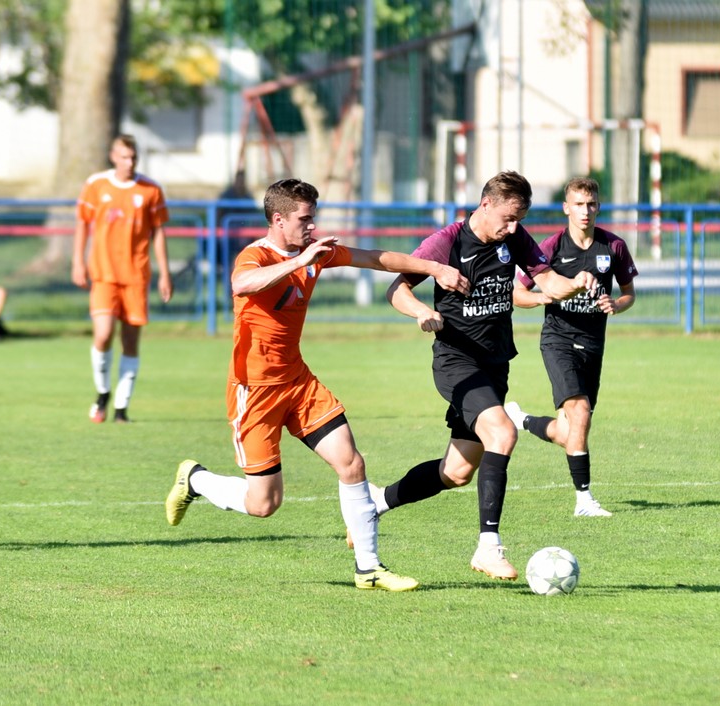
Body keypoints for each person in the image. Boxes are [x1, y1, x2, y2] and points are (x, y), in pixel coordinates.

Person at [164, 178, 470, 592]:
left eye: (313, 218)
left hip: (298, 381)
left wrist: (434, 267)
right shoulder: (254, 256)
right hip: (254, 390)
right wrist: (301, 259)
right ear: (278, 220)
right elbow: (242, 285)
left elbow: (376, 258)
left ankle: (369, 568)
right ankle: (195, 478)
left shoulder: (316, 253)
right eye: (304, 219)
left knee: (351, 463)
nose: (312, 226)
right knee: (264, 504)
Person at [363, 171, 597, 581]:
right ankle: (489, 546)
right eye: (507, 218)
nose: (512, 228)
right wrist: (423, 312)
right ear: (486, 204)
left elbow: (547, 282)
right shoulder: (447, 241)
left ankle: (375, 503)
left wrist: (575, 283)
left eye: (518, 220)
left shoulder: (515, 238)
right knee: (503, 433)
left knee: (456, 472)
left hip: (494, 364)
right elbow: (396, 290)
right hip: (456, 362)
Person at [504, 176, 638, 517]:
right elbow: (517, 294)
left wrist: (616, 305)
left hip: (594, 344)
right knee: (579, 414)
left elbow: (628, 294)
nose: (585, 211)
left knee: (570, 430)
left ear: (598, 207)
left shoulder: (614, 247)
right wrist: (542, 297)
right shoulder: (550, 248)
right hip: (558, 340)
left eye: (591, 204)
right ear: (566, 208)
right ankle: (584, 500)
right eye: (578, 204)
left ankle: (521, 420)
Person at [71, 134, 173, 424]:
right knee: (103, 334)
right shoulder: (96, 184)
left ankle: (121, 409)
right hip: (103, 274)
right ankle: (103, 391)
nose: (129, 163)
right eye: (124, 157)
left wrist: (165, 273)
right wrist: (77, 261)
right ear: (112, 156)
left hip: (136, 276)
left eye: (133, 158)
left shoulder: (150, 189)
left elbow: (159, 233)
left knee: (130, 341)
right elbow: (82, 223)